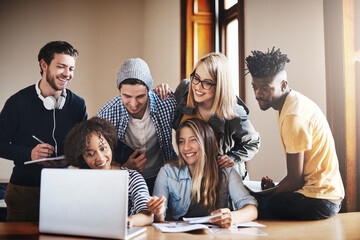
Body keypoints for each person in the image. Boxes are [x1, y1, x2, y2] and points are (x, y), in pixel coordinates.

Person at [245, 47, 345, 220]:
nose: (257, 94)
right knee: (253, 200)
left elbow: (295, 180)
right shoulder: (287, 103)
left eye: (265, 88)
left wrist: (270, 195)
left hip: (320, 200)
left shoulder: (293, 115)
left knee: (250, 205)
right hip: (319, 194)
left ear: (283, 85)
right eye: (254, 87)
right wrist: (273, 190)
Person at [0, 41, 87, 222]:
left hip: (65, 191)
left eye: (71, 68)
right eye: (61, 67)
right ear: (44, 65)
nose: (67, 74)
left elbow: (83, 146)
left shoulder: (78, 105)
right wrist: (29, 153)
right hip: (24, 192)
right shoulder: (17, 103)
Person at [155, 52, 260, 180]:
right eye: (196, 78)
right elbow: (168, 115)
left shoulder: (234, 113)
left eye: (207, 83)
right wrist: (164, 91)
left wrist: (232, 157)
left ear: (220, 85)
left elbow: (253, 143)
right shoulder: (184, 91)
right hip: (190, 179)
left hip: (223, 181)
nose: (198, 86)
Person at [146, 118, 258, 228]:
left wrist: (233, 217)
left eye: (193, 140)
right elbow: (158, 219)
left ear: (206, 142)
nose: (186, 147)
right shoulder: (167, 171)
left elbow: (252, 209)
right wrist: (158, 212)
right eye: (181, 141)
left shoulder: (226, 171)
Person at [97, 58, 177, 194]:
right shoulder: (106, 114)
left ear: (149, 91)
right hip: (127, 181)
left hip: (164, 176)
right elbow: (99, 159)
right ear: (119, 91)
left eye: (140, 96)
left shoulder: (166, 103)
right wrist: (124, 167)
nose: (133, 104)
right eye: (127, 96)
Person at [64, 117, 152, 227]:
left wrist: (129, 221)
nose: (100, 158)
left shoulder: (131, 177)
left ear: (110, 145)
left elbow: (147, 214)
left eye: (103, 148)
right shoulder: (78, 181)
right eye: (90, 154)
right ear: (82, 157)